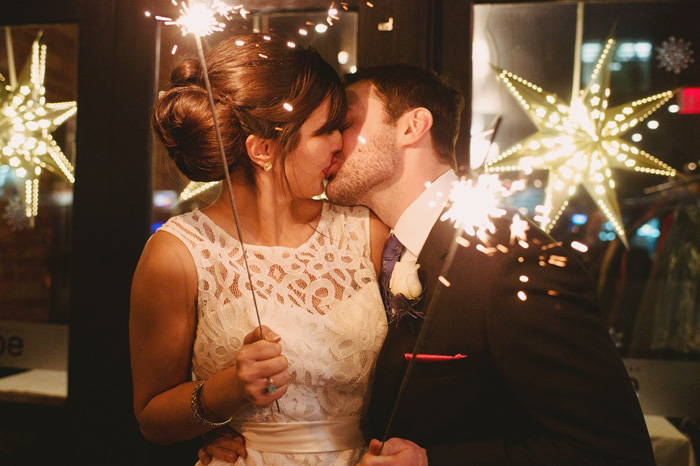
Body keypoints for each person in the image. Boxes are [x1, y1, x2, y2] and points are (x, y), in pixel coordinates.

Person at [323, 64, 657, 464]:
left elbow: (612, 449)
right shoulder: (375, 250)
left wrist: (434, 463)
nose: (333, 141)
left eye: (346, 122)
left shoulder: (514, 262)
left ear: (413, 126)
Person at [129, 33, 389, 465]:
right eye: (326, 130)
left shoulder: (366, 232)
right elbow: (152, 419)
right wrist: (223, 393)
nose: (341, 143)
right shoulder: (176, 255)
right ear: (264, 150)